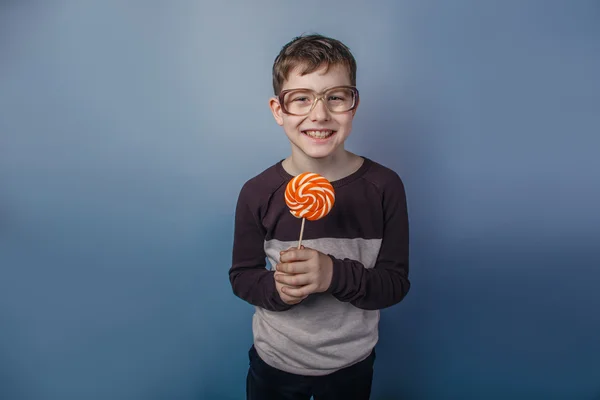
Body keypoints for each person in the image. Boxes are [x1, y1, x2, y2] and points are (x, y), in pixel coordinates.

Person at [229, 33, 410, 400]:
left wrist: (332, 273)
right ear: (279, 111)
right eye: (302, 99)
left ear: (353, 106)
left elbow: (395, 284)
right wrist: (277, 289)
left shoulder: (384, 186)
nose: (319, 114)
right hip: (275, 360)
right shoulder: (257, 192)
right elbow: (242, 277)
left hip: (352, 363)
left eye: (336, 97)